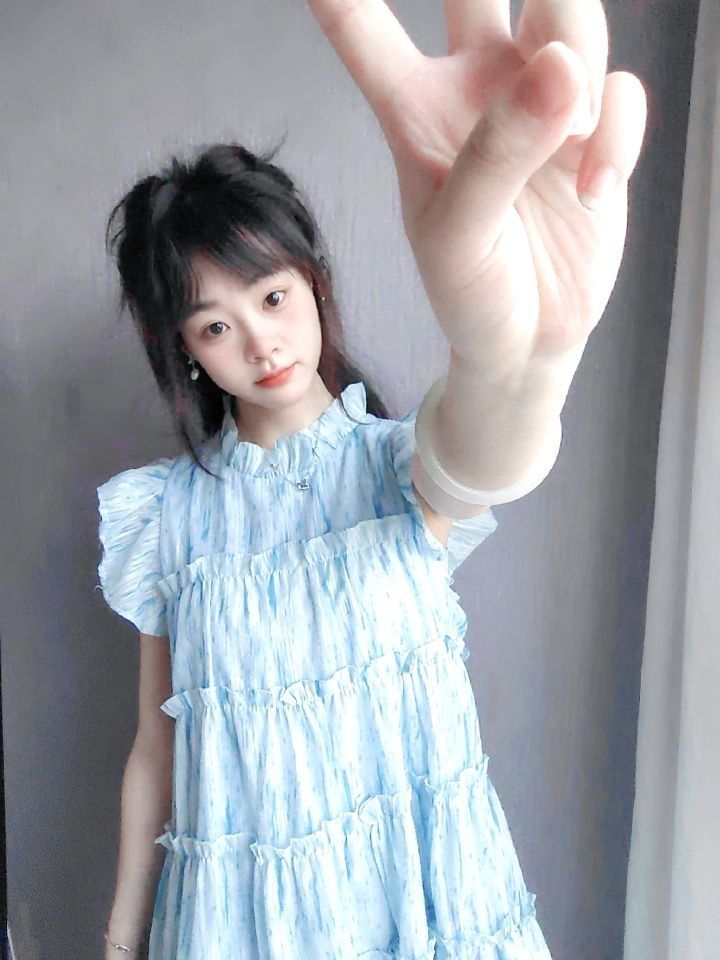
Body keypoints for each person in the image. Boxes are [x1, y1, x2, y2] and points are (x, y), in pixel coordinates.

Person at [97, 2, 647, 958]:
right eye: (215, 325)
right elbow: (156, 749)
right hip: (235, 925)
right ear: (184, 350)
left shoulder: (397, 465)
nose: (260, 341)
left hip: (422, 910)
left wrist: (527, 362)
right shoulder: (165, 516)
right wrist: (118, 940)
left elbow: (483, 454)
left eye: (272, 296)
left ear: (313, 280)